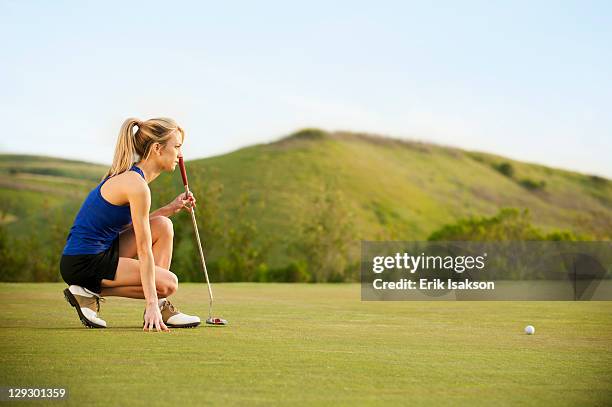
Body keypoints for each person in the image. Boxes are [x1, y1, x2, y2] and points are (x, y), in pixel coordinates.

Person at [60, 117, 200, 332]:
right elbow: (144, 249)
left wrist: (170, 208)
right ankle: (89, 291)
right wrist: (150, 300)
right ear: (157, 148)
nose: (180, 155)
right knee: (168, 283)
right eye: (177, 147)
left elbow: (132, 226)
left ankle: (159, 305)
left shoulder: (135, 179)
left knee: (162, 224)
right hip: (83, 262)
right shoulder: (137, 185)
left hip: (102, 251)